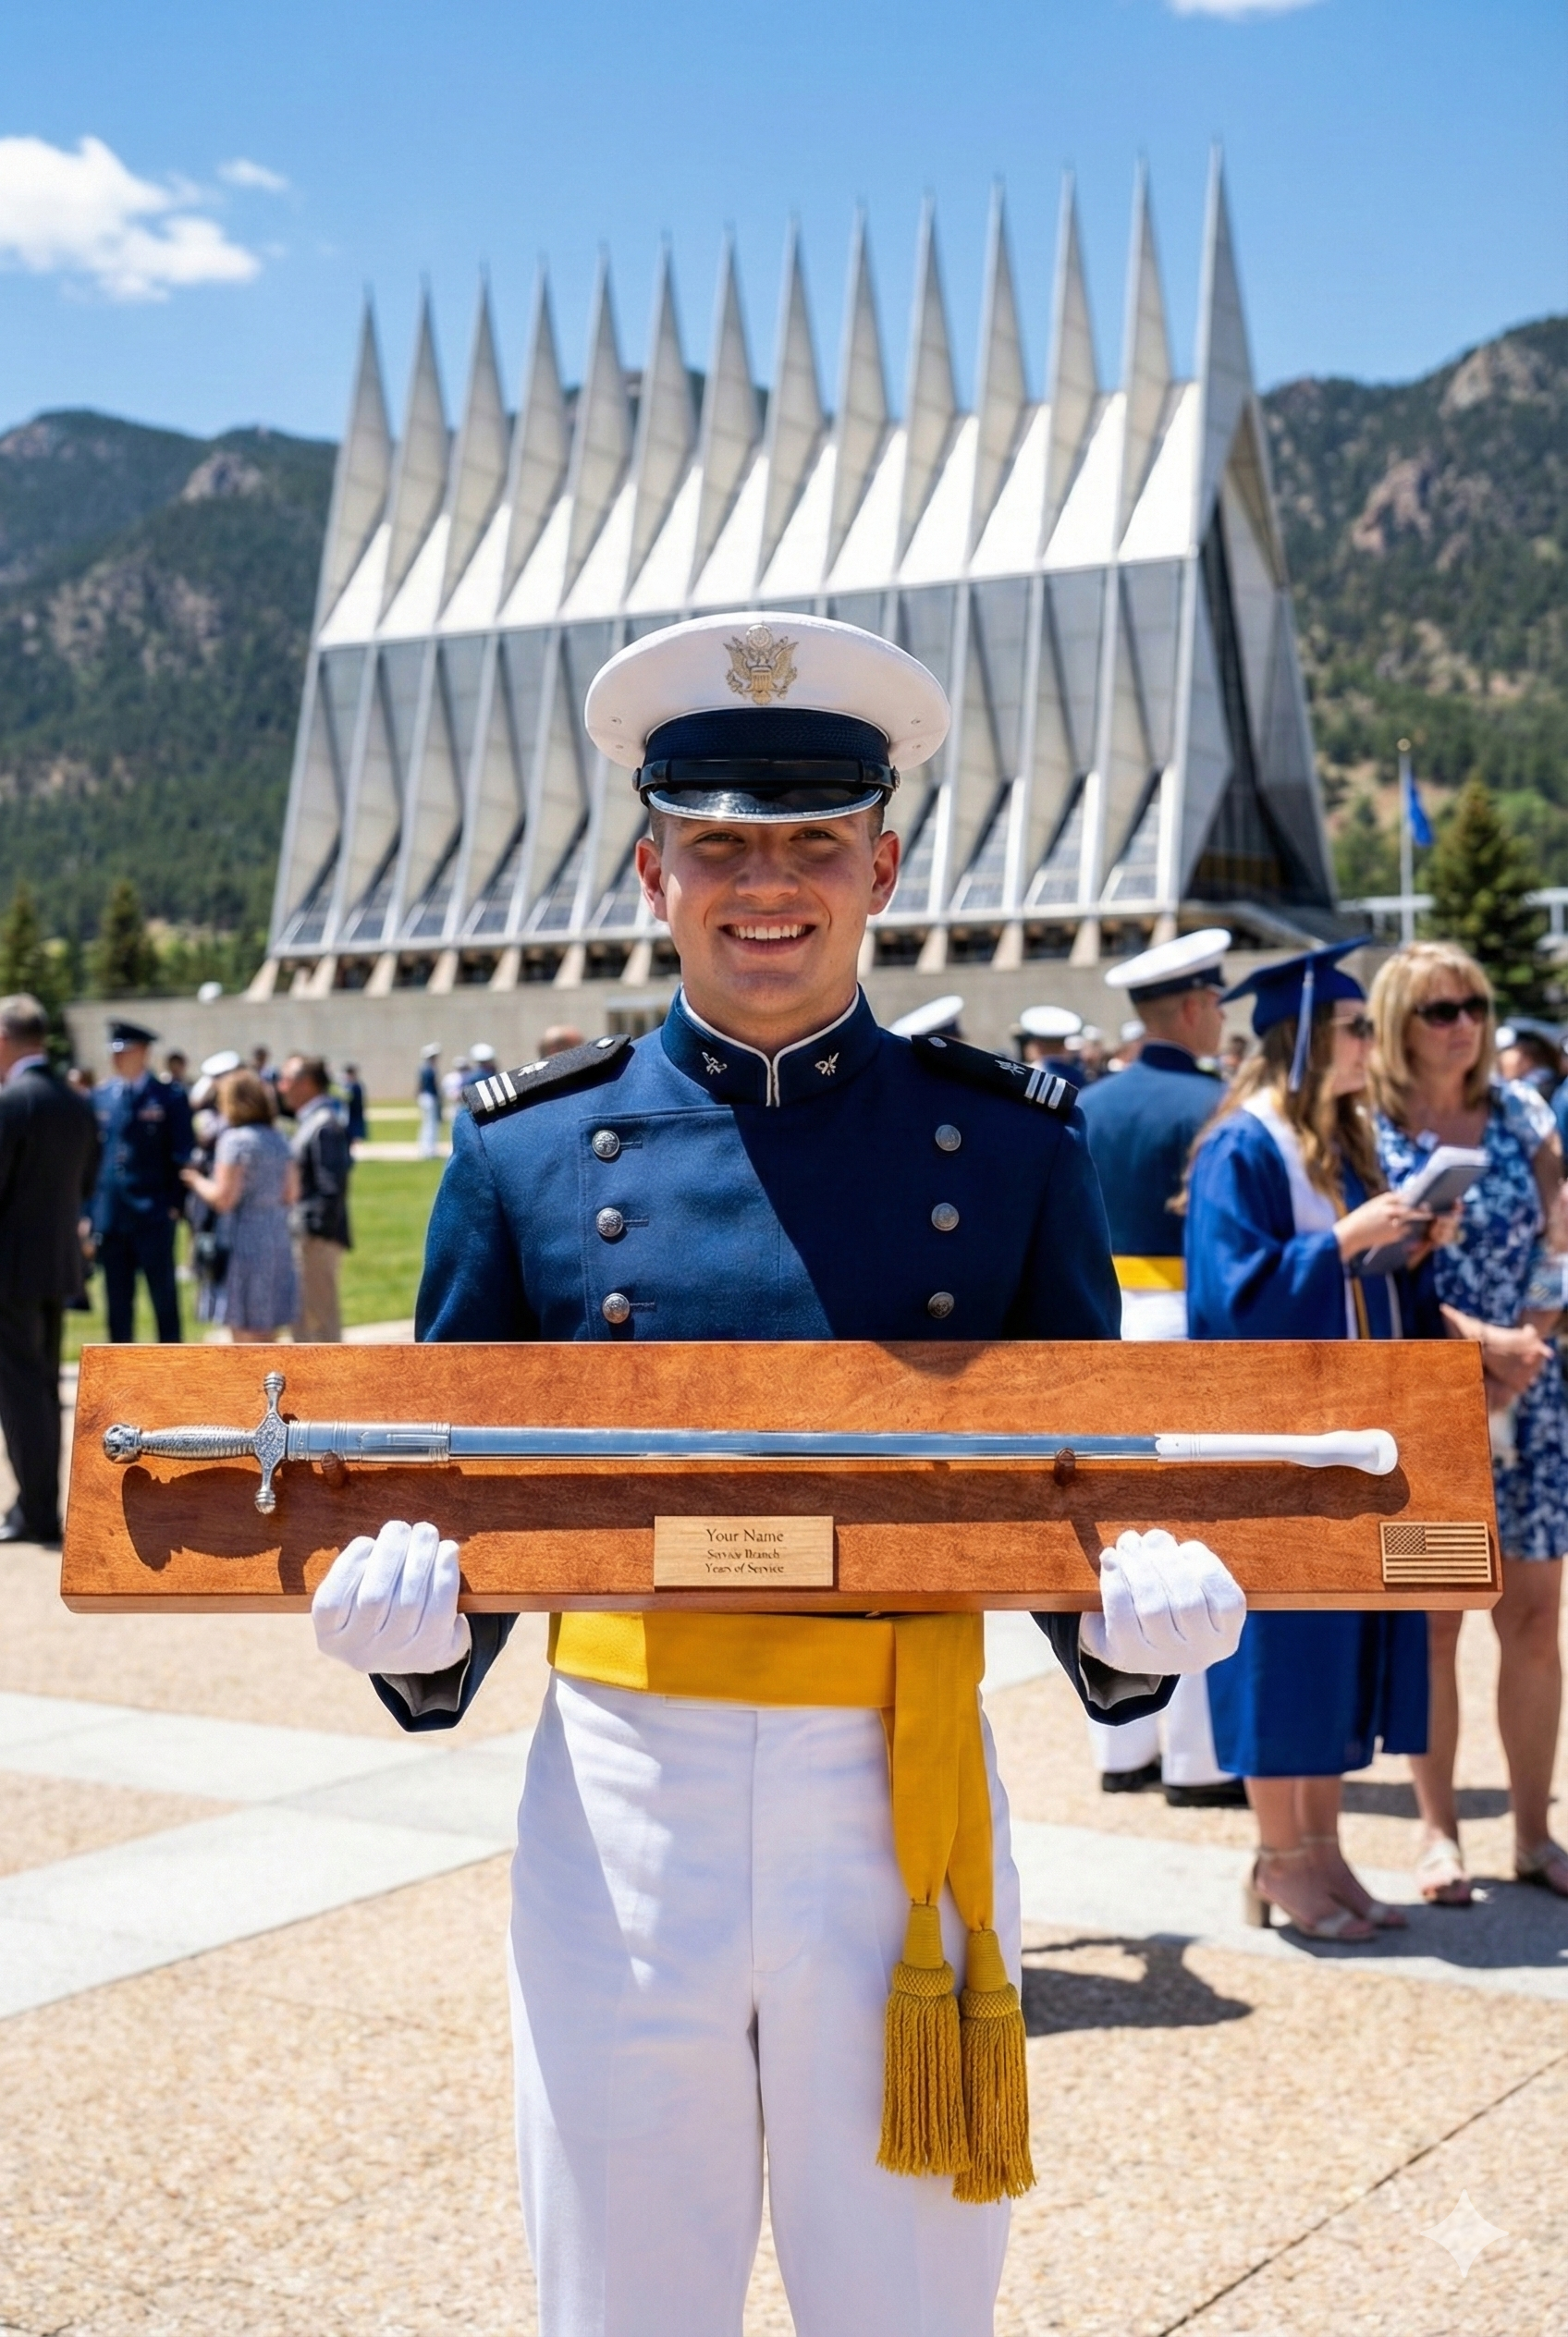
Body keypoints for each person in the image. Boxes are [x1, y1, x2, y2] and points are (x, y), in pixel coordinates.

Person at [309, 609, 1245, 2337]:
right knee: (623, 2294)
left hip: (900, 1794)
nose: (769, 883)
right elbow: (460, 1470)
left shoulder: (1012, 1141)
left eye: (814, 841)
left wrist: (1136, 1617)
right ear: (648, 863)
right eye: (722, 842)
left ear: (882, 861)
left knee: (906, 2299)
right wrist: (415, 1625)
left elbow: (1076, 1476)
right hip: (619, 1788)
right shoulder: (524, 1148)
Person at [1186, 940, 1448, 1942]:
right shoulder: (1240, 1146)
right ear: (1304, 1039)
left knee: (1336, 1640)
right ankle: (1274, 1855)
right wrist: (1342, 1242)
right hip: (1269, 1444)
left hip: (1347, 1433)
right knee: (1277, 1645)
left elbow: (1352, 1288)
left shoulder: (1337, 1144)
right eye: (1352, 1027)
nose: (1366, 1043)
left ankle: (1324, 1848)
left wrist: (1406, 1245)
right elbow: (1230, 1295)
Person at [1370, 942, 1568, 1903]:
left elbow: (1561, 1233)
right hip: (1427, 1393)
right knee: (1434, 1625)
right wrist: (1478, 1349)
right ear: (1398, 1021)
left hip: (1530, 1393)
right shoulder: (1370, 1128)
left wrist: (1522, 1349)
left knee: (1533, 1619)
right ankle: (1437, 1833)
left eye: (1475, 1005)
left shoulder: (1524, 1111)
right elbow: (1384, 1274)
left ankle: (1532, 1832)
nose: (1463, 1024)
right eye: (1440, 1008)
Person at [1075, 931, 1241, 1807]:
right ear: (1192, 1008)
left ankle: (1121, 1749)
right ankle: (1199, 1762)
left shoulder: (1088, 1103)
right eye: (1215, 1001)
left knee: (1115, 1542)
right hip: (1189, 1327)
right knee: (1195, 1542)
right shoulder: (1217, 1104)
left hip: (1107, 1327)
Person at [0, 996, 98, 1545]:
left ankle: (35, 1510)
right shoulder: (74, 1100)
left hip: (10, 1269)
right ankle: (39, 1503)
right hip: (56, 1263)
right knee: (39, 1388)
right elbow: (86, 1184)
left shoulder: (13, 1101)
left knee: (21, 1393)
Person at [91, 1019, 193, 1343]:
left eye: (125, 1051)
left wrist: (174, 1206)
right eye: (114, 1052)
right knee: (118, 1305)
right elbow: (93, 1159)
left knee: (163, 1299)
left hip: (153, 1214)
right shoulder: (102, 1097)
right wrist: (90, 1211)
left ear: (145, 1053)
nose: (117, 1058)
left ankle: (172, 1375)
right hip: (112, 1217)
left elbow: (182, 1155)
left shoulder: (168, 1097)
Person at [180, 1070, 298, 1342]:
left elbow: (224, 1198)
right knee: (268, 1328)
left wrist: (196, 1181)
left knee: (243, 1328)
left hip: (243, 1236)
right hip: (276, 1233)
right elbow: (291, 1193)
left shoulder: (234, 1141)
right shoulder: (278, 1138)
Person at [279, 1053, 352, 1342]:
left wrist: (312, 1232)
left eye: (286, 1080)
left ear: (306, 1083)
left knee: (320, 1322)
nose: (281, 1087)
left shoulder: (324, 1124)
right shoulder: (311, 1120)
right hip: (306, 1235)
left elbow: (330, 1187)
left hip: (315, 1240)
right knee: (303, 1321)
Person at [416, 1043, 442, 1156]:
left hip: (424, 1097)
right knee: (431, 1124)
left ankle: (424, 1148)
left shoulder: (422, 1068)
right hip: (430, 1097)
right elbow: (434, 1086)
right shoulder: (430, 1069)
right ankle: (429, 1150)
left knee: (426, 1124)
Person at [342, 1061, 368, 1150]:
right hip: (351, 1111)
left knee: (355, 1129)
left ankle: (354, 1145)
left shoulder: (355, 1085)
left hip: (355, 1110)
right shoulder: (351, 1085)